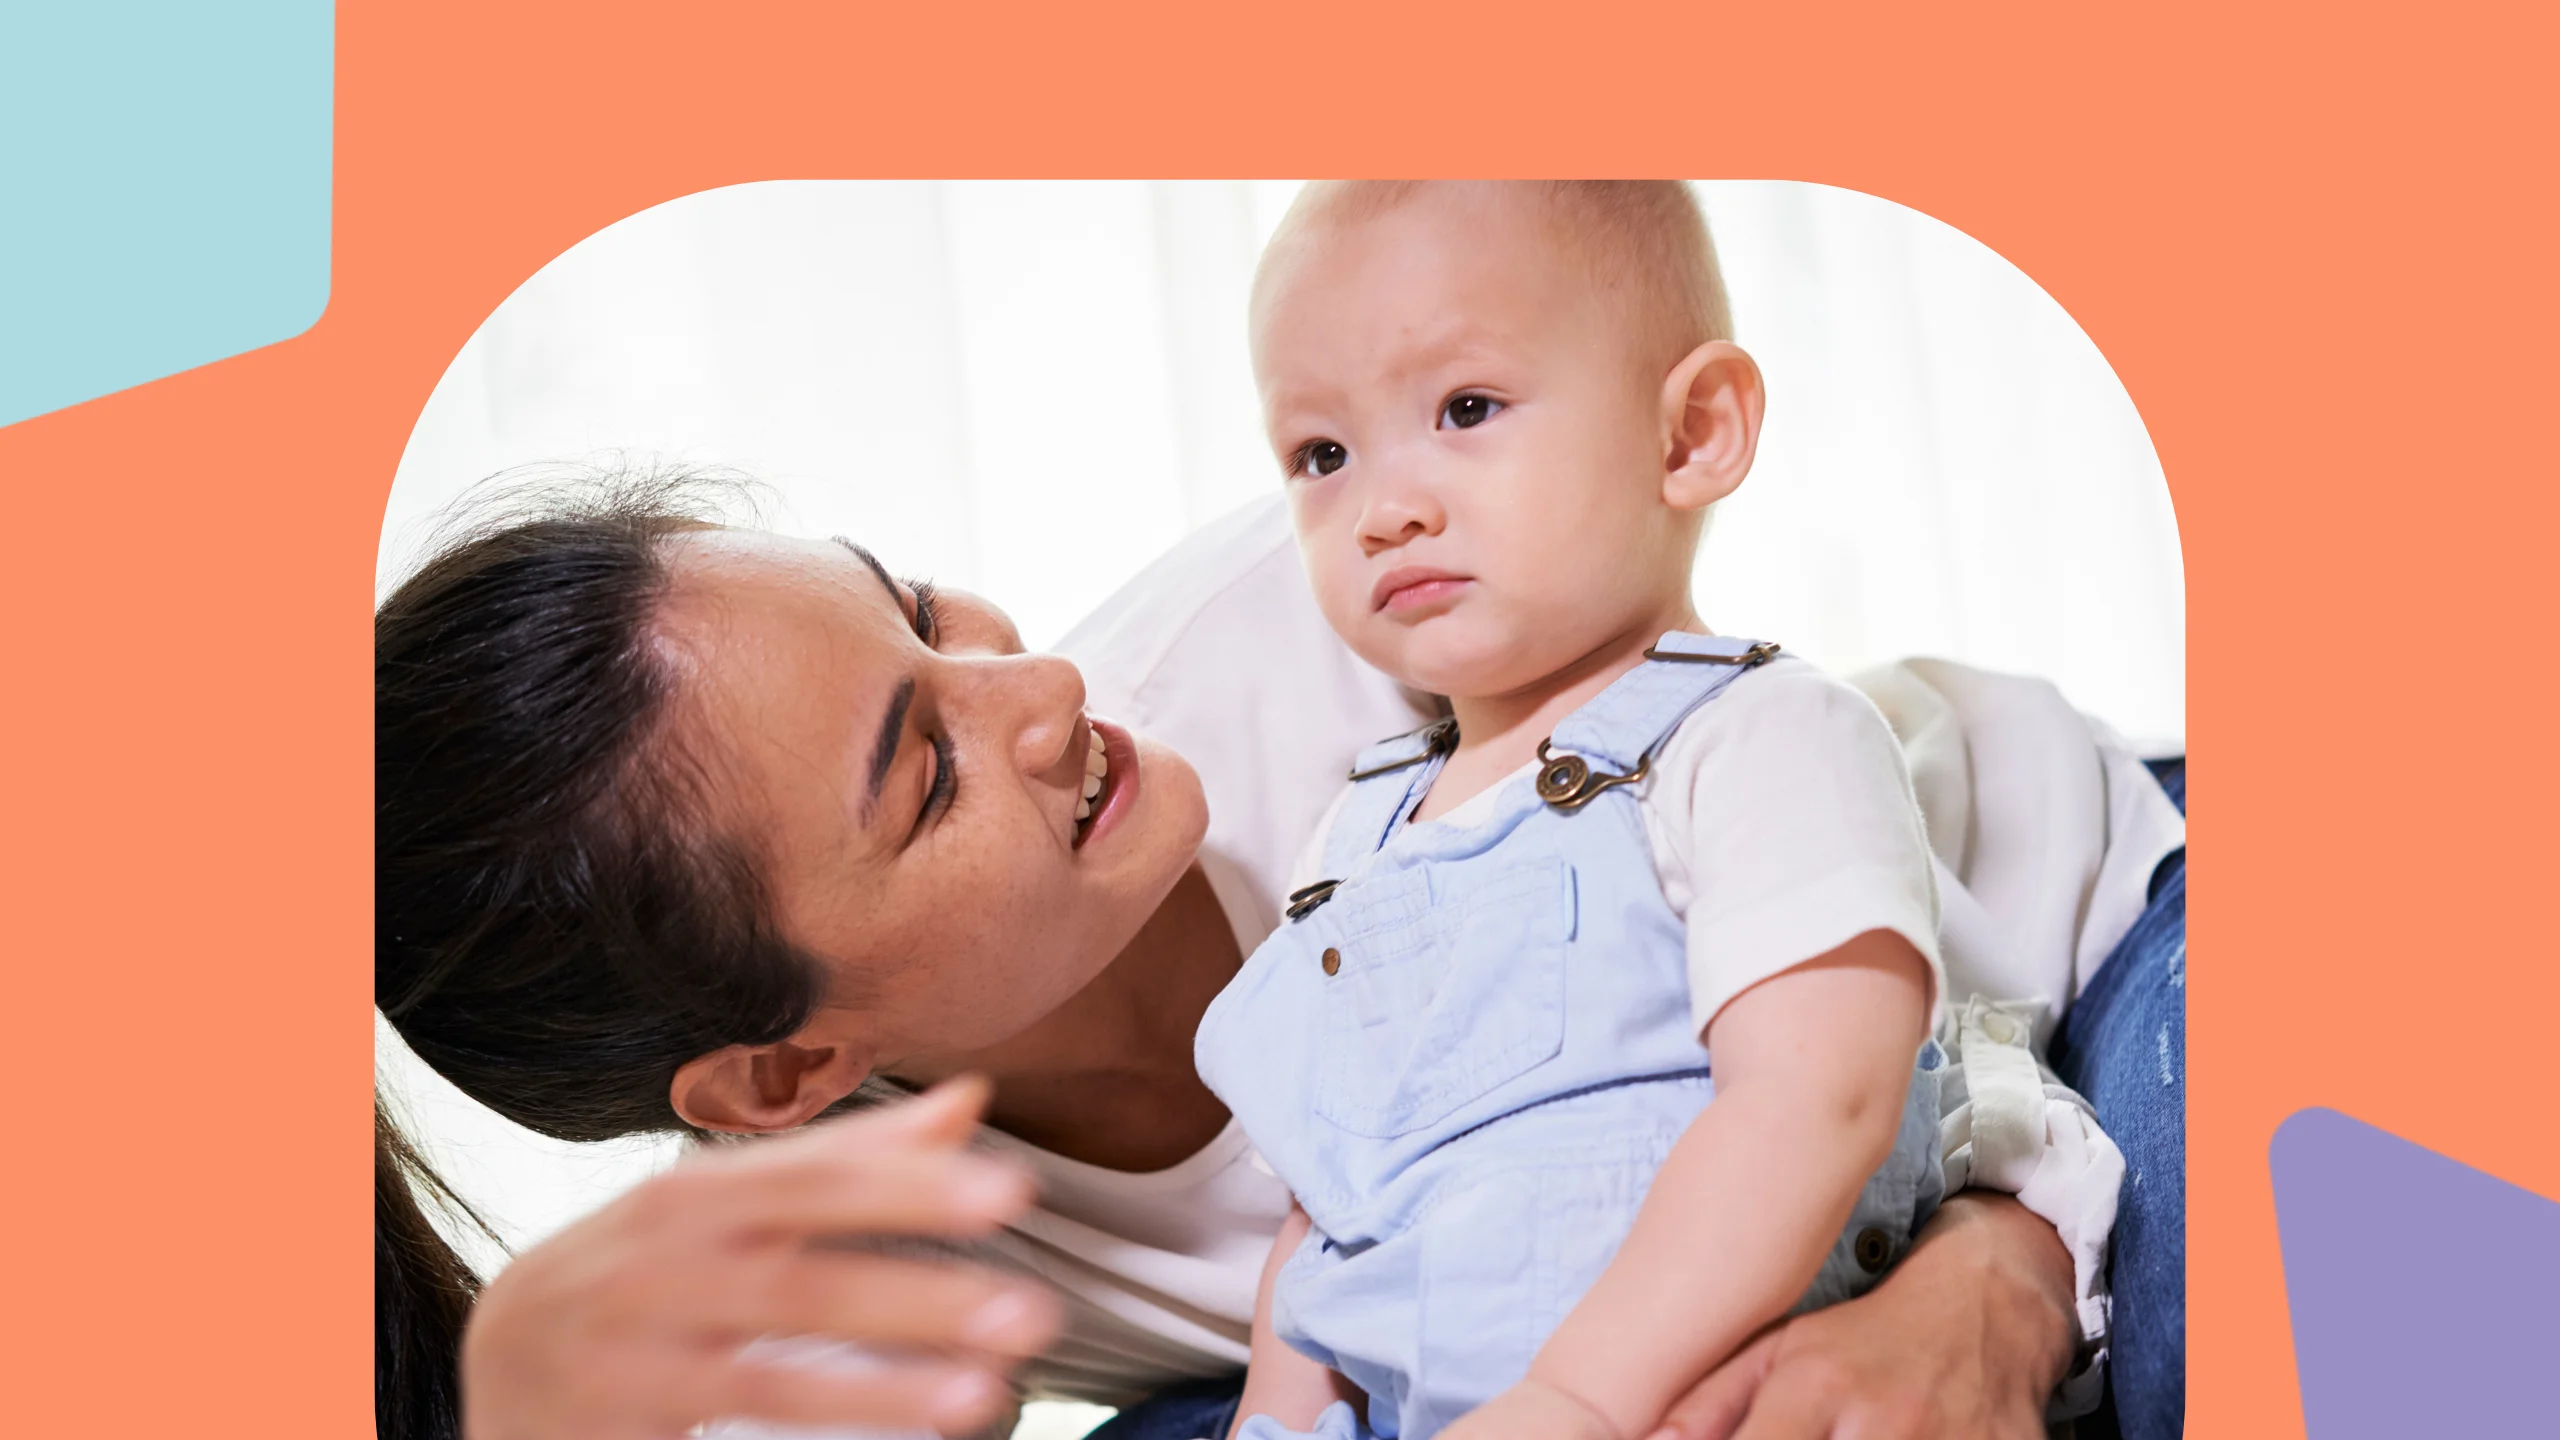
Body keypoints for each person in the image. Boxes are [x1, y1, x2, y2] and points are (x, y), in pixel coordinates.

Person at [376, 466, 2177, 1440]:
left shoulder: (1336, 622)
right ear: (782, 1078)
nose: (1041, 692)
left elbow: (1863, 964)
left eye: (920, 613)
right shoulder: (833, 1241)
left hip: (2052, 936)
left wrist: (2000, 1265)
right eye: (925, 775)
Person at [1189, 179, 2003, 1440]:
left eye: (1465, 409)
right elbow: (1331, 1201)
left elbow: (1818, 1097)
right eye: (1321, 455)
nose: (1380, 509)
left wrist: (1576, 1400)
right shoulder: (1352, 842)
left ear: (1691, 434)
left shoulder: (1756, 737)